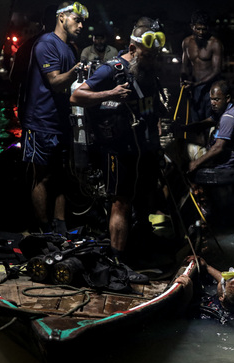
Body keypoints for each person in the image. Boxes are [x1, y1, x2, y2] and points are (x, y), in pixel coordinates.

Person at [70, 22, 167, 284]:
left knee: (144, 197)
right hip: (118, 148)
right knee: (120, 202)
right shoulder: (112, 69)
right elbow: (77, 96)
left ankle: (138, 252)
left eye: (156, 55)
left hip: (144, 147)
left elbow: (152, 106)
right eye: (148, 55)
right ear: (133, 49)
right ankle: (117, 264)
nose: (152, 60)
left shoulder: (148, 70)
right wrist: (110, 93)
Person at [19, 1, 88, 234]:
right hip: (40, 121)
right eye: (76, 20)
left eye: (82, 22)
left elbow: (72, 87)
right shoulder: (46, 43)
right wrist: (77, 70)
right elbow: (55, 82)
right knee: (42, 177)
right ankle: (43, 229)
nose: (81, 25)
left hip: (60, 122)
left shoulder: (71, 48)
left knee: (62, 176)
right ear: (62, 18)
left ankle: (60, 227)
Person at [174, 80, 234, 173]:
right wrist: (182, 128)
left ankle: (191, 183)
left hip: (223, 162)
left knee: (176, 147)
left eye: (217, 99)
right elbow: (202, 125)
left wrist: (195, 163)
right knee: (180, 144)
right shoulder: (224, 111)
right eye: (211, 99)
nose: (213, 103)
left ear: (227, 98)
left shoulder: (228, 117)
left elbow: (218, 148)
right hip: (220, 157)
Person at [181, 10, 223, 122]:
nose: (201, 32)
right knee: (196, 122)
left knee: (210, 122)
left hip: (211, 88)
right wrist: (183, 81)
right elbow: (184, 66)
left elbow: (216, 70)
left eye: (204, 29)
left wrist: (196, 84)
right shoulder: (186, 42)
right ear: (192, 27)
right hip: (194, 88)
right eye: (198, 29)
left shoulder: (215, 43)